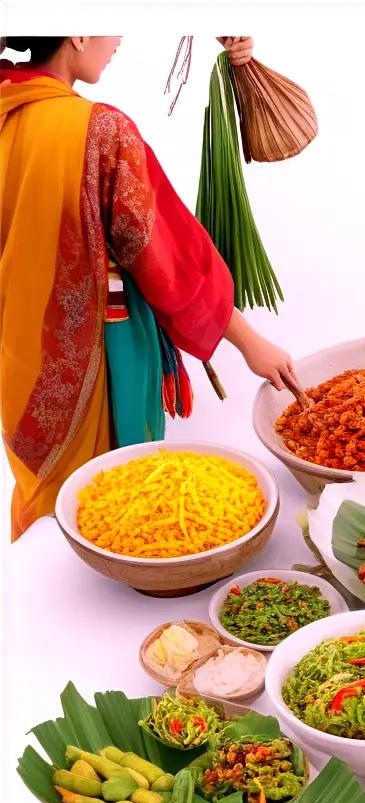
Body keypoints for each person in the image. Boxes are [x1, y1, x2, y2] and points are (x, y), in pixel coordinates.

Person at [0, 36, 299, 540]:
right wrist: (252, 343)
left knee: (60, 504)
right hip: (101, 355)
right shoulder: (100, 131)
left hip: (20, 352)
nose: (117, 39)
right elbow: (166, 254)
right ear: (76, 33)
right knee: (115, 497)